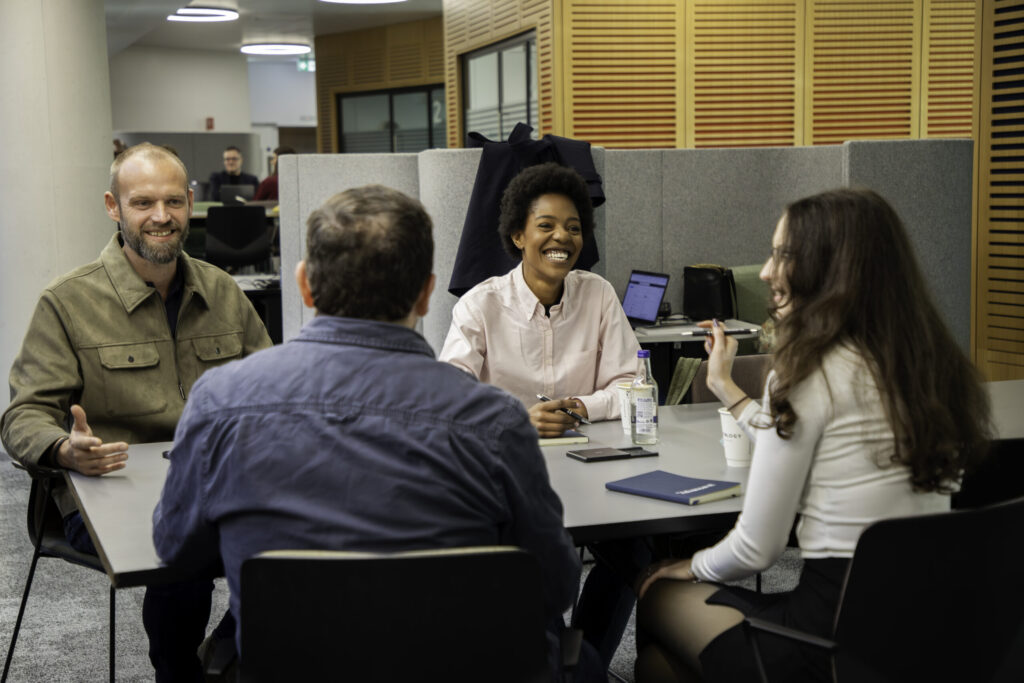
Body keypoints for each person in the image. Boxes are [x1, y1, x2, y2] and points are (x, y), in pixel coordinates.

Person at [152, 184, 601, 682]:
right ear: (427, 294)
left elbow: (176, 549)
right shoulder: (494, 420)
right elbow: (556, 585)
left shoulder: (220, 400)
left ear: (304, 285)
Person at [635, 188, 991, 683]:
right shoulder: (931, 370)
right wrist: (724, 387)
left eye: (783, 255)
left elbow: (756, 550)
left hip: (827, 639)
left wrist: (688, 567)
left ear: (832, 270)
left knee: (656, 594)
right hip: (918, 633)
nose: (765, 272)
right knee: (663, 668)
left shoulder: (810, 372)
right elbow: (804, 447)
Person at [0, 142, 272, 682]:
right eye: (143, 202)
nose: (161, 217)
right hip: (108, 493)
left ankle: (219, 659)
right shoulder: (68, 301)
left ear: (191, 204)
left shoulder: (221, 290)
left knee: (312, 531)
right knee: (183, 555)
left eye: (173, 201)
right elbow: (23, 415)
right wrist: (62, 448)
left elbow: (271, 387)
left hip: (216, 480)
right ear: (113, 206)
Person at [439, 161, 645, 669]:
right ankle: (556, 657)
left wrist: (580, 406)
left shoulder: (597, 295)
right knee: (536, 559)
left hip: (593, 468)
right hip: (512, 476)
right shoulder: (479, 306)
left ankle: (584, 659)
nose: (562, 238)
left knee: (636, 550)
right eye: (546, 226)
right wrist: (519, 419)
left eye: (574, 227)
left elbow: (636, 385)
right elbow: (450, 397)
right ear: (517, 235)